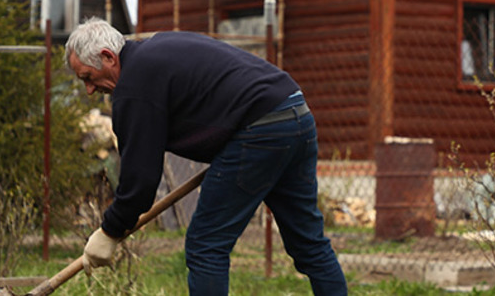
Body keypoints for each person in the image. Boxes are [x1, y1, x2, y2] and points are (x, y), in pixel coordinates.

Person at [65, 17, 347, 295]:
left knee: (205, 245)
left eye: (88, 78)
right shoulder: (159, 50)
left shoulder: (135, 85)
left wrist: (109, 231)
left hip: (261, 130)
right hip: (296, 113)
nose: (90, 90)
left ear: (108, 57)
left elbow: (140, 181)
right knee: (308, 243)